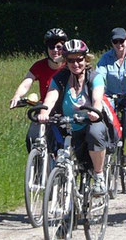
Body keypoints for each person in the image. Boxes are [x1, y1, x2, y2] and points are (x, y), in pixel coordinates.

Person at [38, 39, 109, 195]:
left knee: (95, 132)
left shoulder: (94, 77)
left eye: (79, 59)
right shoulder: (60, 78)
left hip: (89, 122)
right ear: (65, 61)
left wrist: (95, 111)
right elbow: (51, 97)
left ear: (86, 59)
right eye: (71, 60)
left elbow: (98, 99)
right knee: (54, 138)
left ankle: (99, 176)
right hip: (68, 124)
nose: (75, 64)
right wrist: (44, 113)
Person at [95, 27, 126, 185]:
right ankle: (108, 163)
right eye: (115, 41)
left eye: (121, 41)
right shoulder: (105, 58)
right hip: (112, 96)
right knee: (106, 128)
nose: (119, 44)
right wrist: (98, 92)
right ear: (112, 43)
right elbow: (99, 77)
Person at [9, 28, 67, 151]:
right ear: (47, 49)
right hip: (44, 108)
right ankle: (37, 167)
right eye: (51, 47)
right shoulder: (40, 66)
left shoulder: (70, 65)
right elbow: (26, 82)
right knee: (32, 138)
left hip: (66, 107)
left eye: (59, 47)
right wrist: (17, 96)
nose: (55, 50)